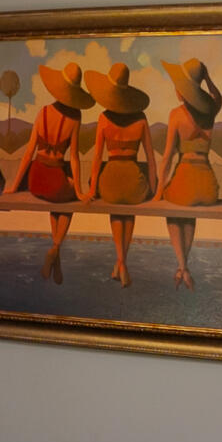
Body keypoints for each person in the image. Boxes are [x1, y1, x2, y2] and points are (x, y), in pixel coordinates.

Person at [13, 57, 91, 283]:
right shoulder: (75, 117)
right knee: (67, 201)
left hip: (36, 178)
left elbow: (28, 152)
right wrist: (78, 190)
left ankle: (56, 259)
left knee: (55, 197)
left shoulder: (43, 112)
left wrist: (14, 185)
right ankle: (55, 248)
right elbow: (74, 157)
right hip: (55, 181)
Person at [156, 58, 222, 288]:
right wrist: (206, 78)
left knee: (173, 210)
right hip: (207, 184)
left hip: (185, 176)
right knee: (190, 210)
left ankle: (182, 266)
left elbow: (167, 157)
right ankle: (183, 267)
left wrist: (159, 189)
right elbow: (218, 98)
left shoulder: (176, 114)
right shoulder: (211, 111)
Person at [86, 63, 154, 285]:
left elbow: (97, 158)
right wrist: (154, 190)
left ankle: (120, 261)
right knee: (129, 209)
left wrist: (92, 188)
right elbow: (151, 160)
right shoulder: (141, 118)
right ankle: (122, 262)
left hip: (110, 181)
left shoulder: (104, 119)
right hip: (133, 180)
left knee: (116, 209)